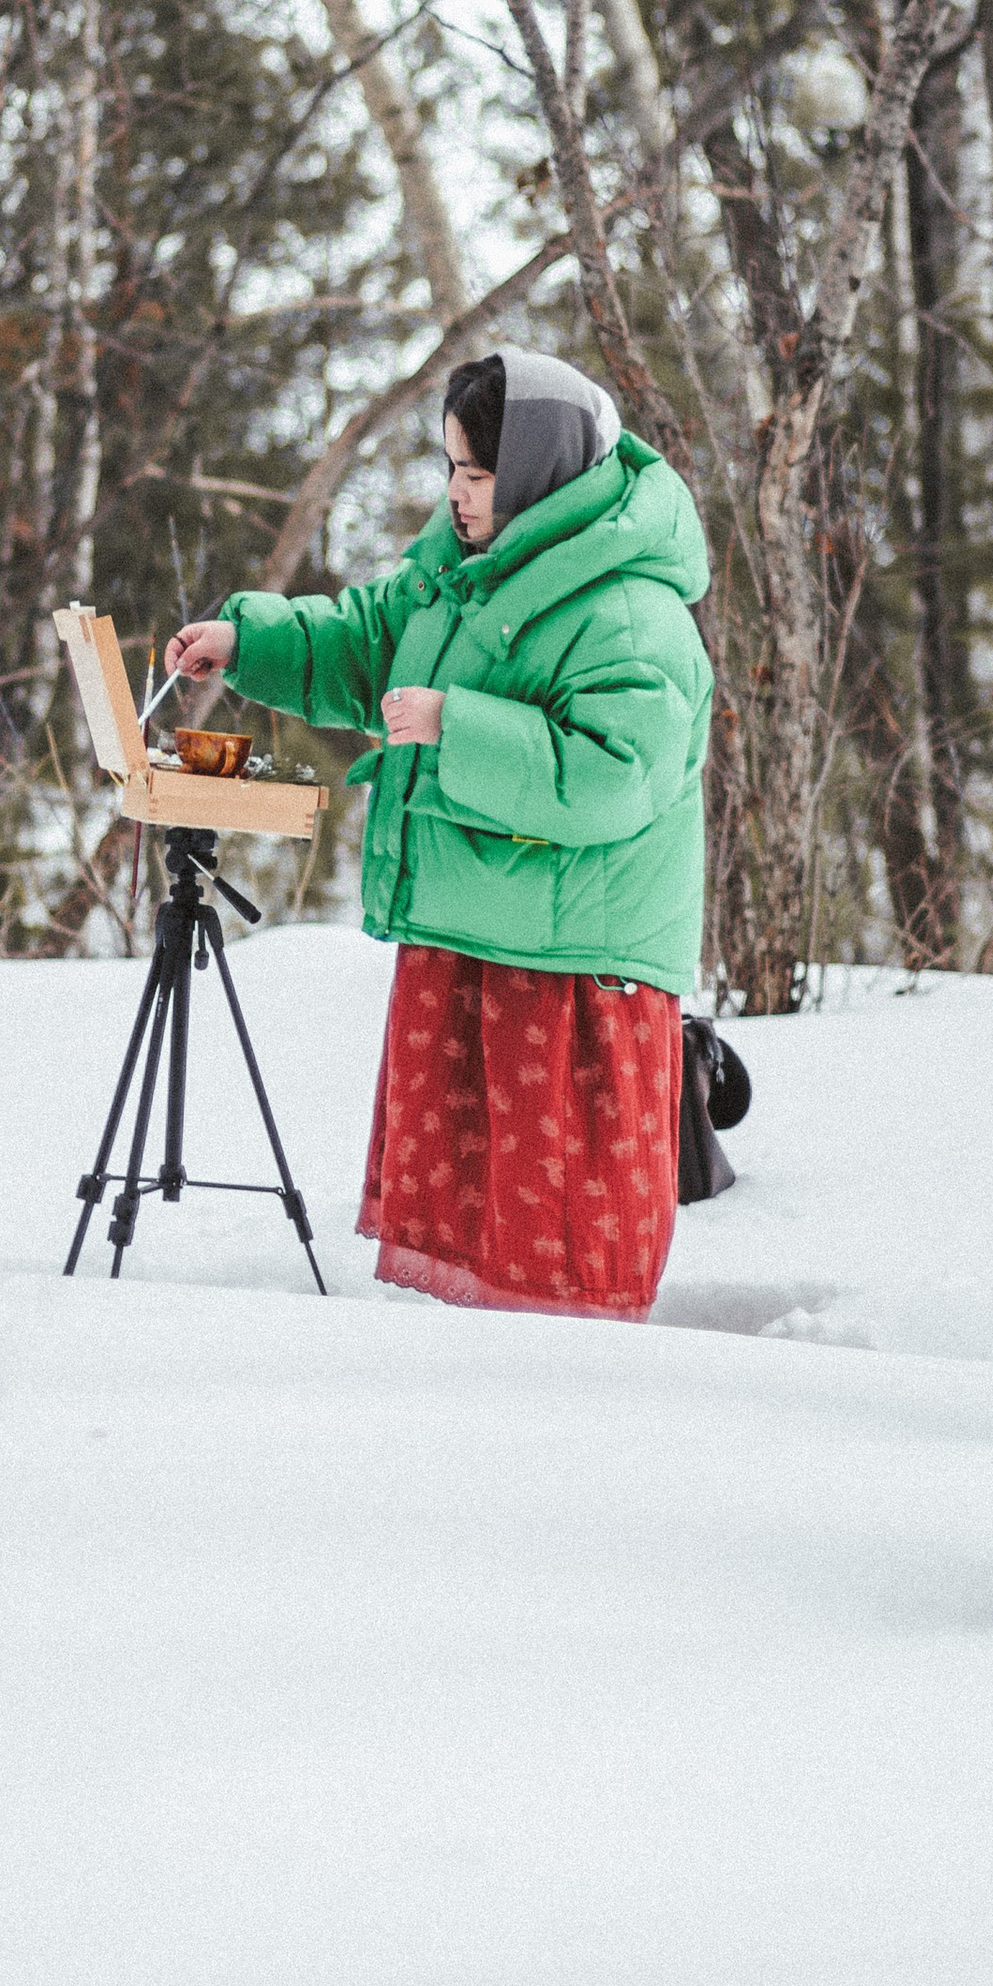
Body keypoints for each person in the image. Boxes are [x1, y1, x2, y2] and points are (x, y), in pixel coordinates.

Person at [161, 345, 712, 1317]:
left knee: (552, 1272)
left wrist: (458, 727)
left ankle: (581, 1431)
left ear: (539, 472)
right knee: (460, 1266)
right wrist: (249, 643)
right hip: (471, 942)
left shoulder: (630, 610)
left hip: (572, 971)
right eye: (451, 468)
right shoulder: (459, 572)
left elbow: (612, 779)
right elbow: (367, 640)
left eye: (477, 471)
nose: (456, 492)